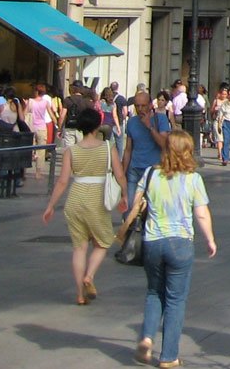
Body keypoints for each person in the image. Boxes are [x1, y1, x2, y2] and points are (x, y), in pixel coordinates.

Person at [130, 130, 216, 367]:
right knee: (176, 300)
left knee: (153, 292)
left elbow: (135, 205)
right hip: (180, 242)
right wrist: (210, 239)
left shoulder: (150, 174)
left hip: (152, 241)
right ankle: (168, 357)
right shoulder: (193, 179)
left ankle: (147, 338)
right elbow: (201, 213)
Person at [42, 106, 126, 305]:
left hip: (76, 198)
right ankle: (89, 275)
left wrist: (51, 205)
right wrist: (125, 195)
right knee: (103, 242)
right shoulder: (108, 148)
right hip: (97, 199)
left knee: (79, 248)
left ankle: (80, 294)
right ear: (98, 125)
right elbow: (119, 174)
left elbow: (63, 181)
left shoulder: (72, 150)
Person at [120, 92, 173, 202]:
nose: (140, 109)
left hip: (154, 170)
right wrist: (123, 173)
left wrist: (150, 127)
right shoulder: (131, 122)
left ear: (150, 105)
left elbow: (164, 144)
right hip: (134, 169)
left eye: (143, 105)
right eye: (137, 106)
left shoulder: (161, 119)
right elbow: (128, 149)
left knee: (152, 206)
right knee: (129, 206)